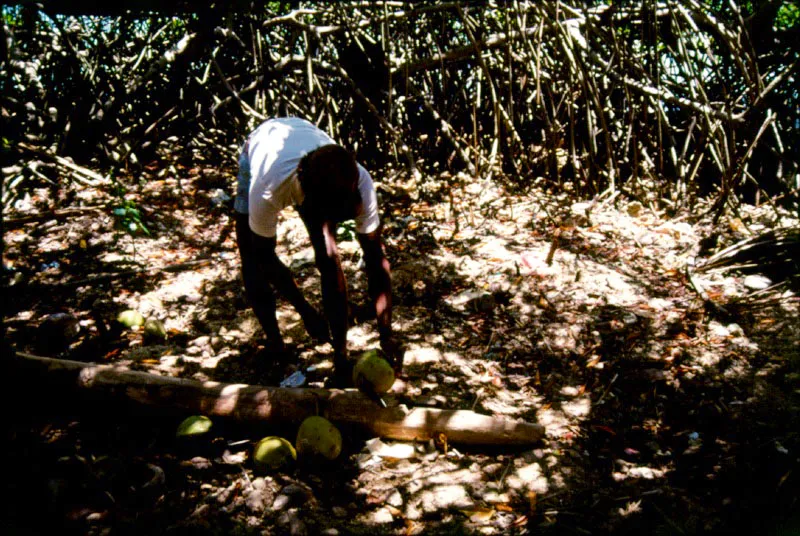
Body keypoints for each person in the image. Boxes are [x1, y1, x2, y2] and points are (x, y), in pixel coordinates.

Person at [233, 117, 400, 383]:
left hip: (309, 156)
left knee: (328, 255)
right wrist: (305, 311)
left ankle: (340, 354)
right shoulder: (267, 188)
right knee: (250, 255)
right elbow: (264, 255)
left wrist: (387, 334)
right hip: (261, 145)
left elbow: (375, 259)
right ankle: (276, 344)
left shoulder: (359, 181)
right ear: (310, 202)